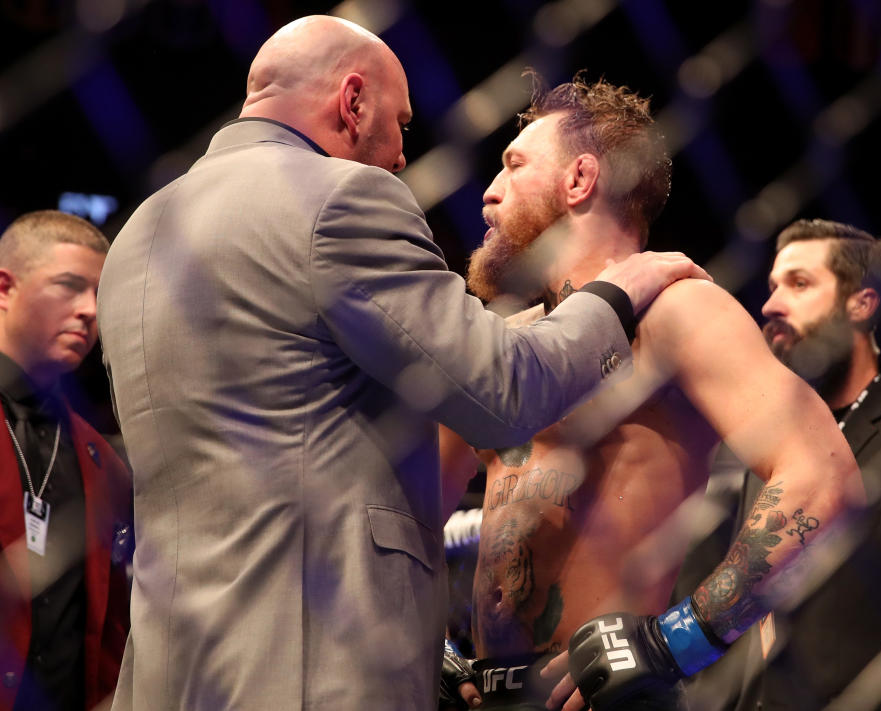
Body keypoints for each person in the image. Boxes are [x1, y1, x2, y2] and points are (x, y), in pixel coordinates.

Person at [95, 16, 709, 711]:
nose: (397, 158)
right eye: (400, 125)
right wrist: (615, 295)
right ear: (352, 101)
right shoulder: (337, 198)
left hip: (168, 671)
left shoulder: (138, 238)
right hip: (310, 664)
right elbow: (501, 388)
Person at [436, 76, 865, 711]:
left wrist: (678, 641)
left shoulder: (675, 313)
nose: (489, 195)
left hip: (610, 693)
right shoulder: (499, 347)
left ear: (579, 180)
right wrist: (425, 640)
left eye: (514, 165)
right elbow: (402, 511)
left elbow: (824, 478)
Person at [672, 219, 881, 710]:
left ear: (862, 304)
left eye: (799, 284)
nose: (770, 305)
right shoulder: (751, 448)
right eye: (772, 286)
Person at [0, 210, 131, 711]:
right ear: (5, 288)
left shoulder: (100, 456)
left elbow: (109, 623)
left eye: (99, 295)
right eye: (69, 286)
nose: (89, 311)